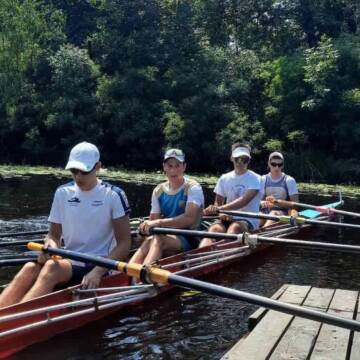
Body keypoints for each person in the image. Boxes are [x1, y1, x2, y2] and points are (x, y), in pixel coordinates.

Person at [0, 142, 131, 308]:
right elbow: (53, 235)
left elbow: (125, 244)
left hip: (101, 263)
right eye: (74, 171)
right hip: (69, 260)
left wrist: (97, 272)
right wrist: (50, 247)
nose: (78, 177)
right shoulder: (62, 193)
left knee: (51, 269)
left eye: (83, 172)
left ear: (98, 166)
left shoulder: (114, 195)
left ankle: (12, 323)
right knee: (29, 268)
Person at [129, 148, 204, 265]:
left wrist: (157, 223)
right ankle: (129, 272)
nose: (173, 170)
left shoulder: (193, 188)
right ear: (164, 166)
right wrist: (143, 231)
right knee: (148, 239)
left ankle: (141, 276)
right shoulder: (158, 191)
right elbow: (153, 220)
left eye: (177, 165)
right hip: (166, 233)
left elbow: (189, 219)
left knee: (158, 239)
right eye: (169, 165)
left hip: (190, 236)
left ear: (184, 167)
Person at [199, 143, 261, 248]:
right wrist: (220, 212)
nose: (240, 162)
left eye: (244, 159)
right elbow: (218, 203)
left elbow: (243, 201)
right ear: (232, 158)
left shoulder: (256, 178)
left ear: (249, 160)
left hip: (248, 220)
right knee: (214, 230)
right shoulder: (224, 178)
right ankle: (199, 256)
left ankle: (223, 256)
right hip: (227, 217)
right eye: (237, 159)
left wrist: (219, 209)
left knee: (234, 228)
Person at [260, 151, 299, 227]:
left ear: (282, 166)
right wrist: (263, 203)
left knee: (273, 213)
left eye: (279, 165)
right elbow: (257, 201)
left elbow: (296, 205)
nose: (276, 167)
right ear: (269, 164)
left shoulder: (289, 180)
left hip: (282, 212)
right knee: (258, 216)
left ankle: (260, 234)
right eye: (273, 164)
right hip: (265, 211)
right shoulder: (263, 179)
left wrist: (276, 202)